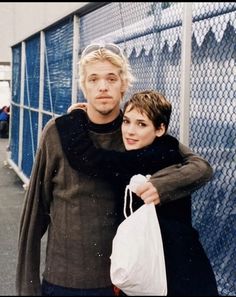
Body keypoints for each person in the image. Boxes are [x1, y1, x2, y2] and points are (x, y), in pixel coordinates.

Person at [16, 43, 214, 296]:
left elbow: (199, 166)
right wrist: (27, 289)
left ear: (124, 83)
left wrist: (160, 186)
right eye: (93, 79)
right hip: (65, 279)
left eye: (111, 78)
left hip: (123, 282)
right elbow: (34, 215)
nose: (102, 87)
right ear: (83, 85)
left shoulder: (135, 130)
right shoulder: (57, 132)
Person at [64, 90, 218, 296]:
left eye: (141, 124)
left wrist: (73, 118)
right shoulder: (169, 147)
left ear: (160, 129)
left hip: (172, 277)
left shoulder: (146, 160)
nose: (130, 131)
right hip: (180, 269)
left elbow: (84, 157)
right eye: (126, 121)